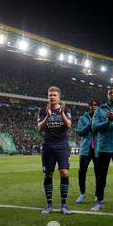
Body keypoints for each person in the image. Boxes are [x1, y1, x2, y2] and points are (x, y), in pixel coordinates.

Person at [37, 86, 72, 215]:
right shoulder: (42, 110)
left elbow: (69, 125)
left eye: (54, 95)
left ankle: (63, 205)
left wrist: (62, 113)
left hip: (62, 145)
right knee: (47, 174)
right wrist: (47, 116)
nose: (52, 97)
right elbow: (40, 128)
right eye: (50, 95)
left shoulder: (66, 109)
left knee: (64, 172)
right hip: (47, 145)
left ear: (59, 97)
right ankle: (49, 205)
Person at [76, 99, 100, 204]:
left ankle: (98, 194)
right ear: (88, 106)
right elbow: (80, 132)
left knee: (98, 173)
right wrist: (90, 124)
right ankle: (82, 193)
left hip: (98, 149)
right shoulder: (82, 118)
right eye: (91, 105)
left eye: (95, 105)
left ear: (97, 107)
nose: (93, 106)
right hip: (85, 149)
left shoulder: (101, 118)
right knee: (82, 172)